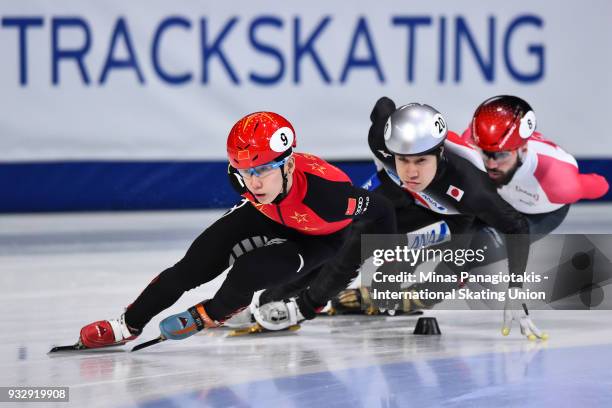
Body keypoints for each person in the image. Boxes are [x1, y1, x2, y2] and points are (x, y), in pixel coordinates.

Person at [76, 111, 396, 349]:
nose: (253, 182)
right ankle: (127, 325)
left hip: (318, 238)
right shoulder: (242, 180)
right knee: (190, 268)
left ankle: (215, 311)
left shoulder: (329, 197)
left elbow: (383, 210)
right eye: (246, 172)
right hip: (266, 214)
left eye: (263, 171)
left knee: (247, 271)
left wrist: (387, 266)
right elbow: (251, 187)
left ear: (287, 165)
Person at [248, 98, 546, 340]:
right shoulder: (381, 139)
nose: (412, 171)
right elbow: (383, 105)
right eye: (403, 159)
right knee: (337, 233)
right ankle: (272, 296)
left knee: (367, 243)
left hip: (451, 216)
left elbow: (516, 226)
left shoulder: (473, 189)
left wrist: (516, 289)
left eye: (421, 161)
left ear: (440, 153)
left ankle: (302, 308)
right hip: (401, 195)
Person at [333, 95, 610, 316]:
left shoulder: (559, 183)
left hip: (533, 212)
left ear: (523, 149)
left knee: (473, 251)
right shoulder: (470, 146)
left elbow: (601, 185)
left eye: (500, 155)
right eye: (484, 152)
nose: (490, 163)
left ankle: (420, 296)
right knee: (430, 236)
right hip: (484, 203)